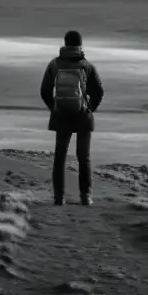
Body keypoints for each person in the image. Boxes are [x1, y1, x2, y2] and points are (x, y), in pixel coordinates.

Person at [40, 30, 104, 206]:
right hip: (82, 116)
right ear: (80, 45)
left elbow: (44, 90)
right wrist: (89, 108)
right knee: (84, 157)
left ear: (65, 43)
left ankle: (58, 197)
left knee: (60, 156)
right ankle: (85, 197)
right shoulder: (86, 65)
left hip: (61, 116)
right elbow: (98, 92)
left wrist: (55, 107)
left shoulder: (54, 64)